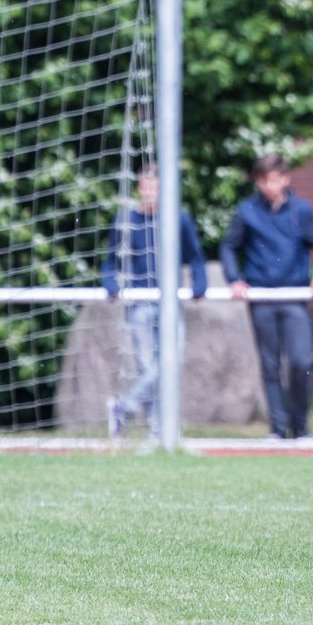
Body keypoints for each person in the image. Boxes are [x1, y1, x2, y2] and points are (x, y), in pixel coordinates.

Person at [220, 154, 313, 440]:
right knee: (270, 365)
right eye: (263, 181)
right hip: (261, 297)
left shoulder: (301, 210)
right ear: (258, 182)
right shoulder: (247, 211)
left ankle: (301, 426)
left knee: (300, 362)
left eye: (274, 180)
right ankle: (278, 427)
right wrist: (235, 279)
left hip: (294, 297)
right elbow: (229, 247)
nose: (269, 186)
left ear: (285, 179)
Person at [100, 164, 208, 439]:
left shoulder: (178, 219)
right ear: (140, 188)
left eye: (158, 188)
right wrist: (110, 284)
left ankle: (124, 406)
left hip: (171, 303)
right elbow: (110, 260)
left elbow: (196, 256)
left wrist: (199, 283)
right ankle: (157, 427)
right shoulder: (126, 219)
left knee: (169, 363)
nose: (153, 193)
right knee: (149, 369)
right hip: (139, 303)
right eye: (148, 187)